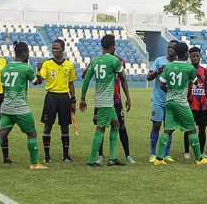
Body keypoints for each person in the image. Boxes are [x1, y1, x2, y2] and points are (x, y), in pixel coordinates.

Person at [0, 42, 47, 171]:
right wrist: (39, 70)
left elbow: (4, 87)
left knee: (1, 134)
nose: (28, 54)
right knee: (32, 133)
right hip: (20, 107)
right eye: (27, 52)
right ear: (24, 53)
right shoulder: (26, 68)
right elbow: (37, 82)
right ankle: (34, 163)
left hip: (6, 106)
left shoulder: (5, 68)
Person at [154, 42, 207, 166]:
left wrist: (171, 91)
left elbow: (162, 84)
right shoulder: (189, 68)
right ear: (186, 53)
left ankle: (159, 159)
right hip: (181, 102)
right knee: (192, 130)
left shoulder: (168, 67)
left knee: (168, 130)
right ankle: (199, 158)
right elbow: (196, 83)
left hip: (169, 102)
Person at [80, 34, 131, 166]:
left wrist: (83, 98)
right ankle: (92, 159)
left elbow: (85, 79)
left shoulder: (95, 61)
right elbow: (123, 78)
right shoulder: (115, 61)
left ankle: (112, 158)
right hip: (107, 102)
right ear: (112, 46)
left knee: (115, 125)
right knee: (100, 129)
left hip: (101, 100)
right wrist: (128, 97)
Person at [37, 39, 77, 163]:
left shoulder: (69, 65)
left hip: (64, 97)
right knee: (47, 126)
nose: (54, 50)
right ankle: (47, 156)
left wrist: (73, 99)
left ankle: (66, 155)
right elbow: (40, 79)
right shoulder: (47, 64)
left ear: (63, 49)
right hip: (51, 97)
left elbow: (71, 83)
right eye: (53, 48)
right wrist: (38, 70)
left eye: (57, 48)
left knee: (65, 127)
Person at [90, 55, 135, 164]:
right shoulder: (98, 62)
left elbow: (123, 79)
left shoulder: (118, 61)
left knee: (121, 127)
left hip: (116, 101)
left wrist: (128, 98)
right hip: (102, 100)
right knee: (101, 127)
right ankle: (100, 156)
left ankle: (127, 155)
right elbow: (84, 75)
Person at [146, 40, 178, 163]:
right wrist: (158, 71)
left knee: (169, 128)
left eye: (173, 48)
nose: (170, 49)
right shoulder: (159, 61)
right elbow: (148, 77)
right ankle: (153, 153)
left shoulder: (179, 64)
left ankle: (166, 153)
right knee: (156, 126)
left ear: (177, 51)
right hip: (158, 100)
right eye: (168, 47)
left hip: (172, 100)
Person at [184, 47, 207, 159]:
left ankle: (202, 151)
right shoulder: (187, 70)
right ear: (190, 57)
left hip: (202, 106)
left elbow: (206, 88)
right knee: (188, 128)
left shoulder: (204, 71)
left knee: (202, 129)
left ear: (200, 56)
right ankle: (187, 151)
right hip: (190, 105)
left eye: (197, 56)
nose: (195, 58)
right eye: (193, 56)